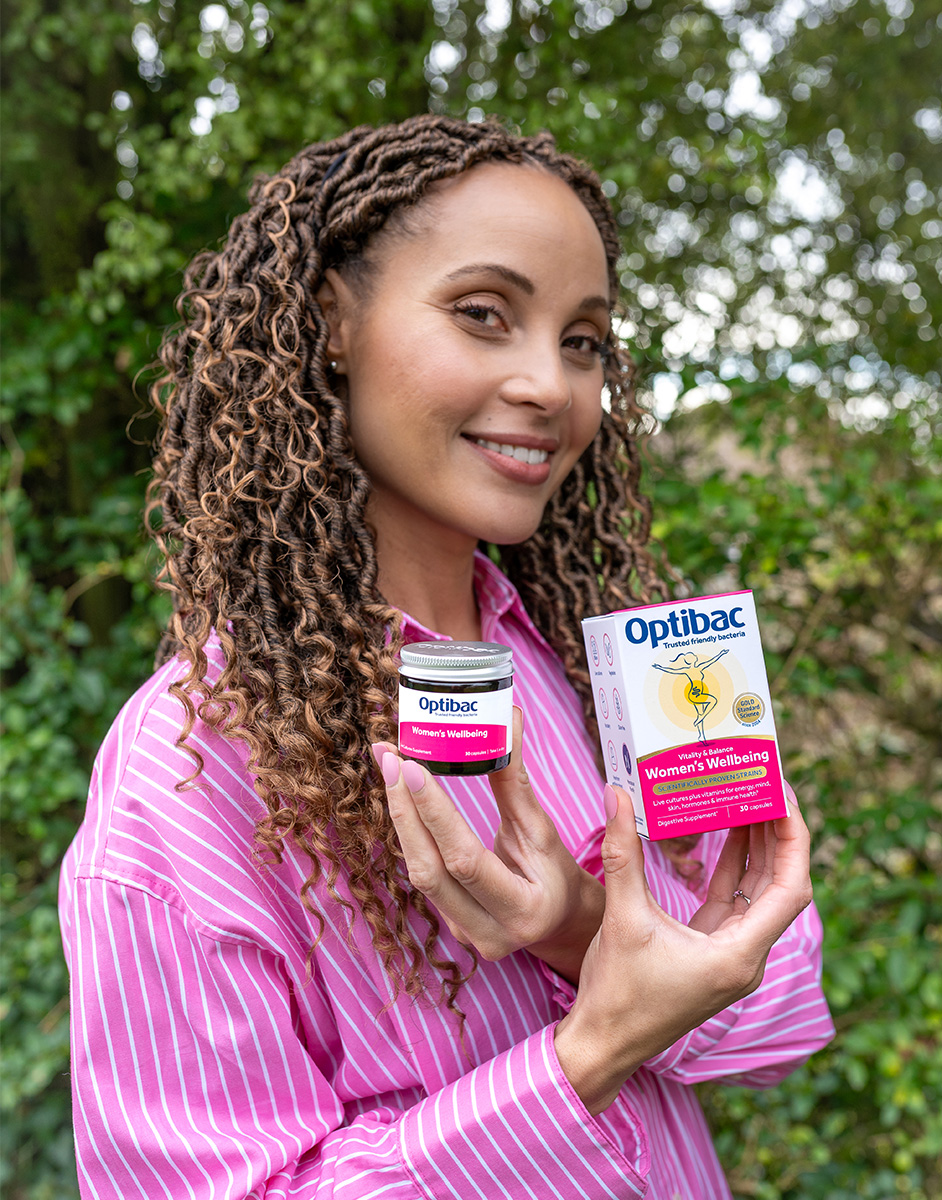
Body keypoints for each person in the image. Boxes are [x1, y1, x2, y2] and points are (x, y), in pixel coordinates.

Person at [58, 114, 834, 1200]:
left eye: (583, 341)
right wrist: (585, 1054)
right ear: (330, 322)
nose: (552, 386)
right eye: (484, 315)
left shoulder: (629, 673)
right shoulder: (185, 770)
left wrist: (578, 929)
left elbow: (783, 1021)